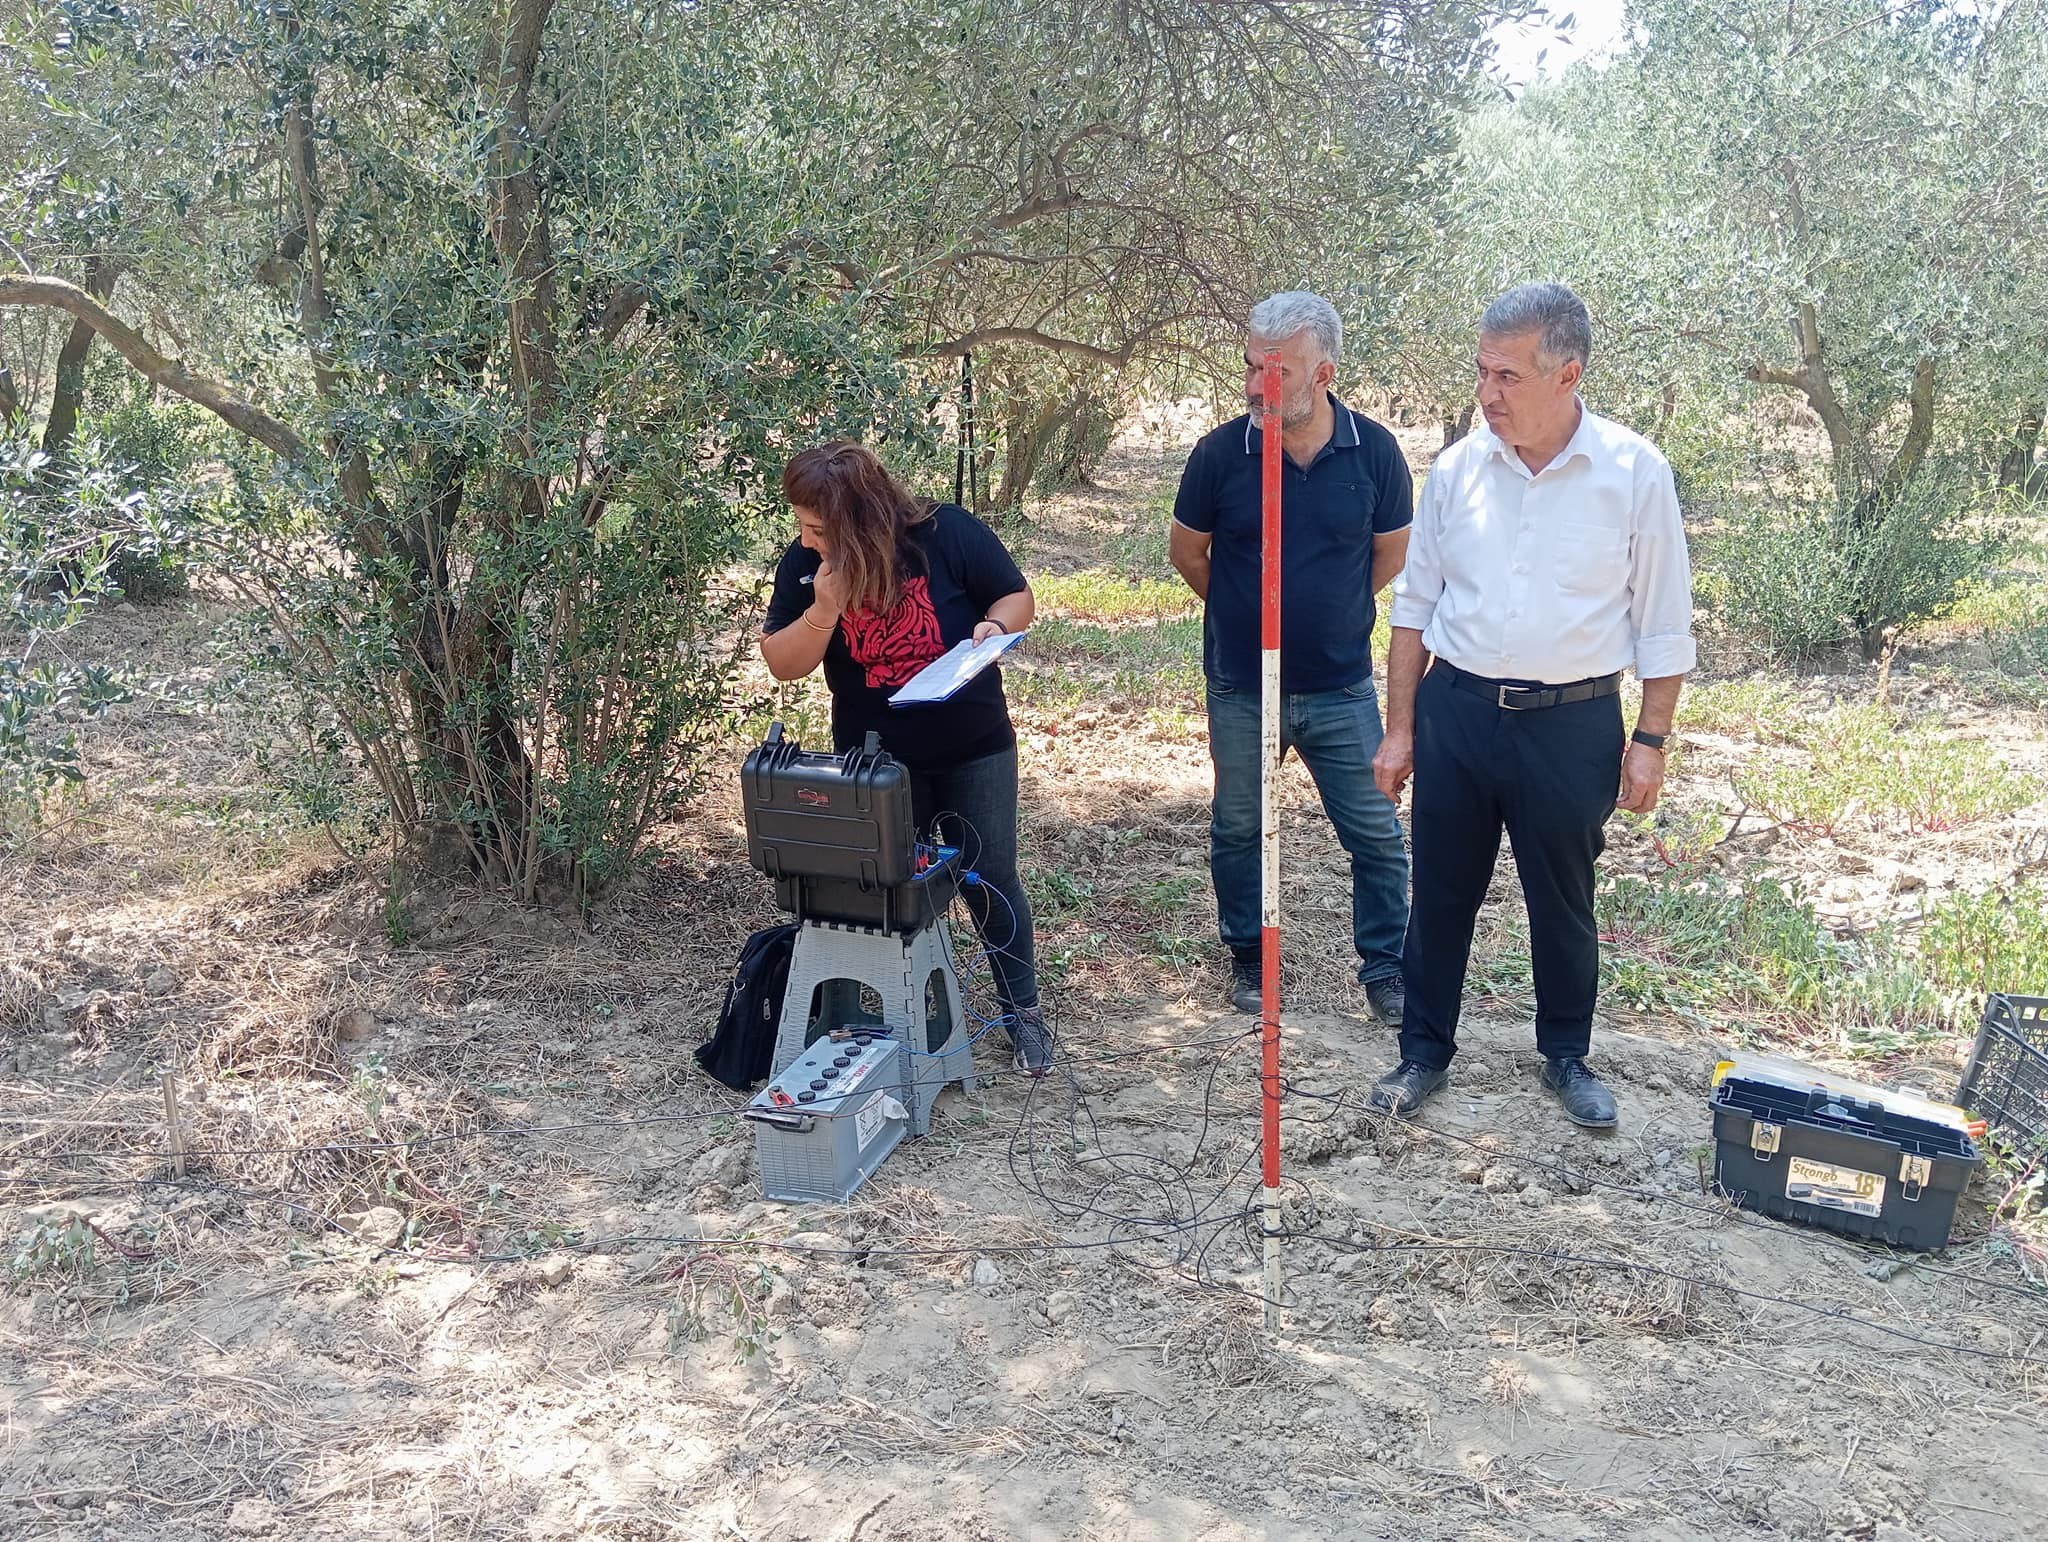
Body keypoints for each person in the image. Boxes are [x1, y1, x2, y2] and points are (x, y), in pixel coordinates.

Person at [1370, 282, 1696, 1128]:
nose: (1488, 394)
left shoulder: (1633, 473)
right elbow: (1414, 609)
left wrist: (1651, 738)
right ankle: (1422, 1055)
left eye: (1508, 376)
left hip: (1574, 722)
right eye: (1482, 372)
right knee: (1440, 892)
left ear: (1568, 374)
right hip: (1460, 714)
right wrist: (1400, 729)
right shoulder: (1455, 470)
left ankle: (1566, 1056)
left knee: (1563, 898)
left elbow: (1663, 622)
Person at [760, 441, 1052, 1077]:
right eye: (802, 527)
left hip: (974, 745)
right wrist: (825, 609)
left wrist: (995, 629)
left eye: (816, 527)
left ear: (860, 518)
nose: (806, 540)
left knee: (992, 877)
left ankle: (1022, 1014)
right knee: (891, 890)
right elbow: (783, 663)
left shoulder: (944, 533)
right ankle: (903, 1023)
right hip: (878, 767)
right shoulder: (806, 567)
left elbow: (1015, 596)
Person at [1169, 292, 1413, 1023]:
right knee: (1239, 824)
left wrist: (1328, 614)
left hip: (1341, 687)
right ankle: (1248, 956)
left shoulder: (1374, 454)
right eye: (1249, 366)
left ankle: (1387, 969)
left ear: (1325, 373)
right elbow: (1190, 554)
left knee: (1375, 829)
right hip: (1244, 686)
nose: (1254, 386)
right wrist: (1245, 616)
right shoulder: (1220, 453)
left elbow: (1388, 555)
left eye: (1275, 372)